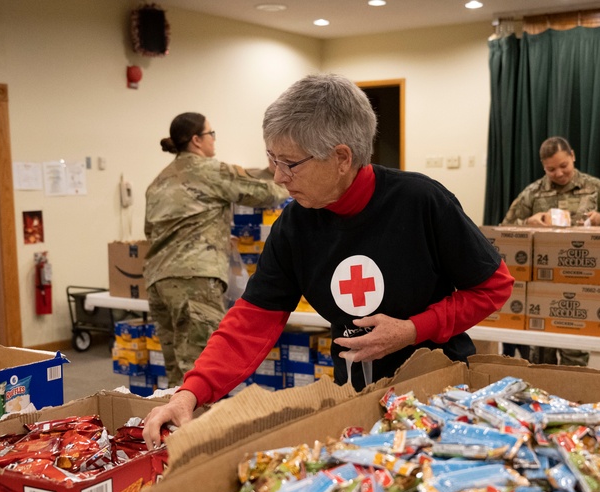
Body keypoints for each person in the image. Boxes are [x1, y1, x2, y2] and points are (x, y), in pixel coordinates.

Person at [143, 74, 514, 446]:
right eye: (272, 159)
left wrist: (413, 329)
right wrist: (190, 392)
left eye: (289, 163)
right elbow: (251, 320)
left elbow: (493, 286)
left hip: (439, 396)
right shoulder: (294, 225)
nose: (278, 176)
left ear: (340, 158)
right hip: (353, 401)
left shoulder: (421, 201)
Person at [144, 112, 288, 387]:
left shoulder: (158, 181)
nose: (214, 140)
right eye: (212, 134)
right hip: (194, 280)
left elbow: (149, 232)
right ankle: (200, 429)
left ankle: (174, 429)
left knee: (177, 373)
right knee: (201, 373)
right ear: (197, 140)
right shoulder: (209, 170)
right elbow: (263, 193)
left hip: (158, 281)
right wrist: (288, 180)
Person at [501, 136, 600, 367]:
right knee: (539, 360)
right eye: (551, 169)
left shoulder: (596, 188)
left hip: (582, 283)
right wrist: (528, 222)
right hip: (542, 286)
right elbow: (503, 230)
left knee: (575, 359)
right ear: (543, 167)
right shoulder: (533, 193)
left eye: (563, 166)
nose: (559, 173)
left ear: (573, 156)